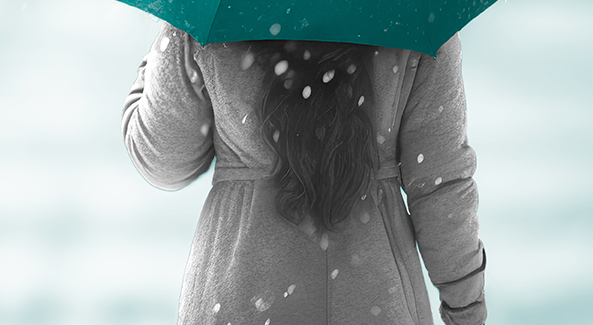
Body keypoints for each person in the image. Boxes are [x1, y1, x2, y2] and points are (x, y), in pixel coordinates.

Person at [123, 23, 486, 325]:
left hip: (240, 295)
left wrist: (162, 49)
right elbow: (441, 186)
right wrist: (465, 309)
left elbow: (164, 161)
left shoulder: (211, 6)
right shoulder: (414, 14)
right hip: (376, 294)